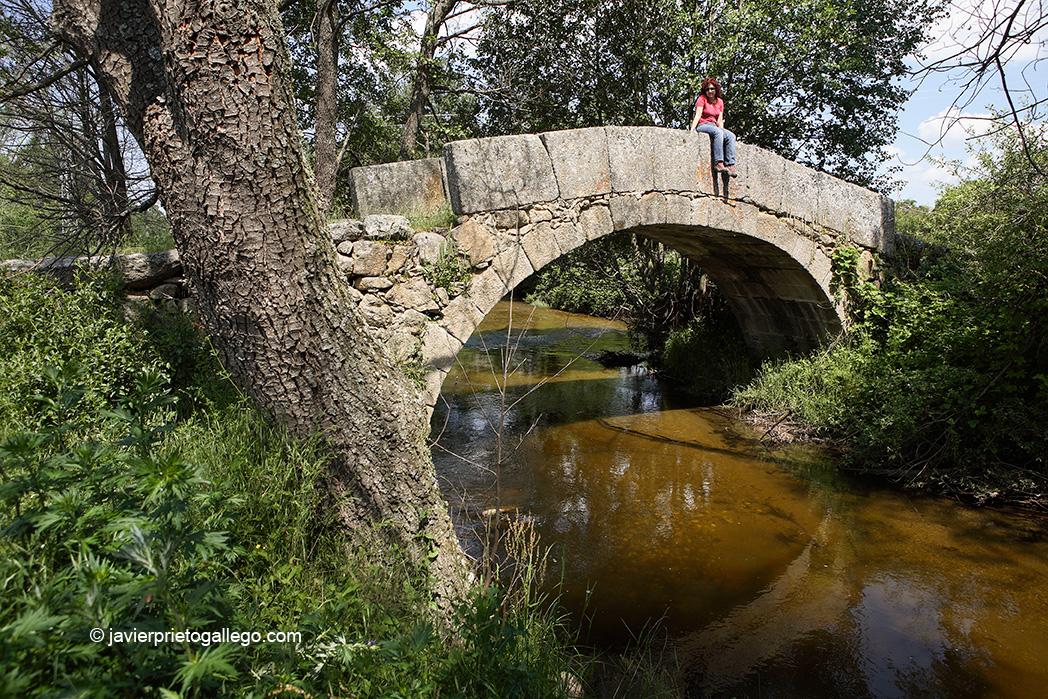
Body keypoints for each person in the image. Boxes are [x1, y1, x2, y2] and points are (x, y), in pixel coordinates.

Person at [689, 77, 738, 177]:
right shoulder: (702, 99)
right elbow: (697, 115)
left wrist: (723, 132)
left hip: (714, 126)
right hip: (703, 125)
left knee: (731, 136)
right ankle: (718, 163)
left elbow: (719, 120)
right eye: (707, 89)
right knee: (718, 132)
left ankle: (730, 164)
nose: (710, 91)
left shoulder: (720, 102)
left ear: (716, 89)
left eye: (712, 89)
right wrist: (692, 130)